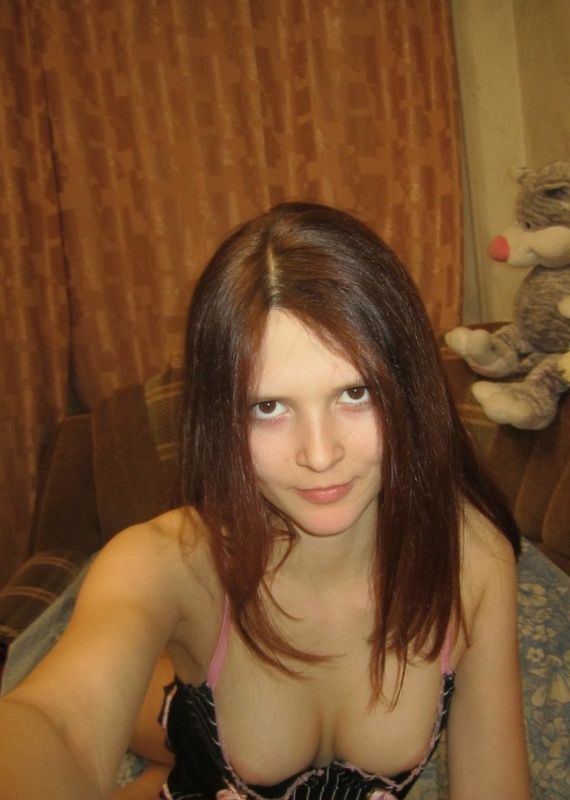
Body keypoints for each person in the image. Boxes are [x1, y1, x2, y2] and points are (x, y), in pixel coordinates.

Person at [0, 202, 531, 799]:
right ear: (222, 416)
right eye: (269, 407)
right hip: (196, 701)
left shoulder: (474, 560)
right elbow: (60, 727)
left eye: (355, 393)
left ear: (408, 389)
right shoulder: (164, 562)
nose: (320, 454)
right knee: (169, 724)